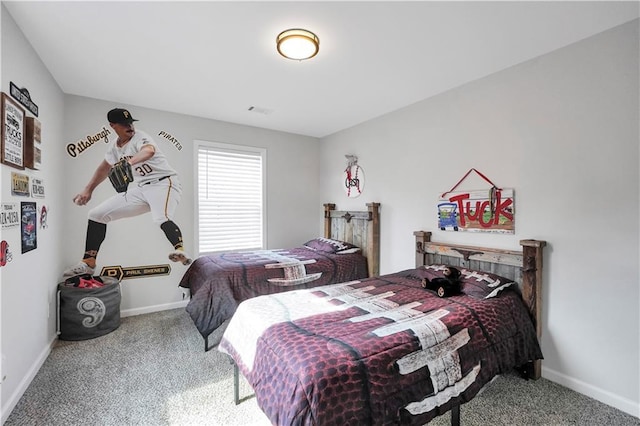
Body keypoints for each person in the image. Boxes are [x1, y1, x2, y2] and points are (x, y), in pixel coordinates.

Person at [63, 108, 191, 278]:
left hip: (165, 182)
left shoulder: (140, 137)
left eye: (131, 122)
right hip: (142, 188)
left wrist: (128, 163)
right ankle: (88, 262)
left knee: (162, 217)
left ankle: (180, 251)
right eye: (124, 124)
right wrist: (88, 189)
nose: (129, 126)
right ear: (112, 125)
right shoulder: (115, 148)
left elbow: (149, 151)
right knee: (96, 214)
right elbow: (104, 168)